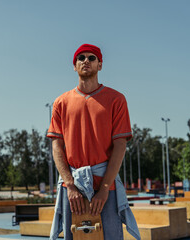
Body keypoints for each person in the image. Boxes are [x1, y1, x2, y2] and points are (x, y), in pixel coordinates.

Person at [47, 44, 140, 240]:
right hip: (72, 187)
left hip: (106, 185)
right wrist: (70, 186)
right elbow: (56, 146)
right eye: (81, 58)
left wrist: (105, 188)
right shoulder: (61, 103)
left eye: (91, 58)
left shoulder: (116, 99)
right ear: (74, 66)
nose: (86, 61)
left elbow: (120, 145)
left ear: (100, 65)